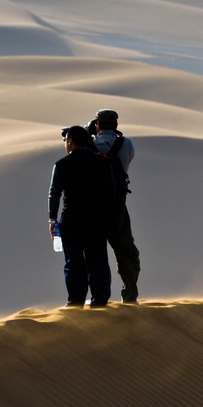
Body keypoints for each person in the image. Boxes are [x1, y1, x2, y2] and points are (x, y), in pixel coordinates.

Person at [48, 125, 115, 308]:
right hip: (96, 220)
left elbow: (54, 194)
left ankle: (76, 302)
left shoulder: (61, 164)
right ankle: (100, 300)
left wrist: (52, 219)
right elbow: (111, 191)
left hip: (71, 220)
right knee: (98, 260)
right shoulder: (102, 162)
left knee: (74, 262)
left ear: (70, 141)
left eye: (65, 141)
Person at [88, 109, 141, 305]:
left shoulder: (89, 144)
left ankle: (98, 298)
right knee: (127, 253)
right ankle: (130, 296)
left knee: (96, 254)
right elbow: (130, 157)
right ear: (116, 126)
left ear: (98, 124)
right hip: (117, 207)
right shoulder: (126, 144)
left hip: (92, 209)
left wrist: (88, 134)